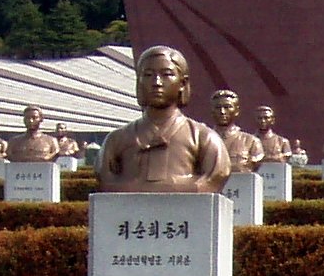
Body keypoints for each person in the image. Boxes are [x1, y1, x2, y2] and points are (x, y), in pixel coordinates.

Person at [97, 46, 230, 192]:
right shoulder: (116, 139)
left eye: (166, 74)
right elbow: (105, 178)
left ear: (182, 83)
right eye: (148, 75)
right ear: (139, 82)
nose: (157, 83)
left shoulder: (204, 138)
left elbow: (214, 177)